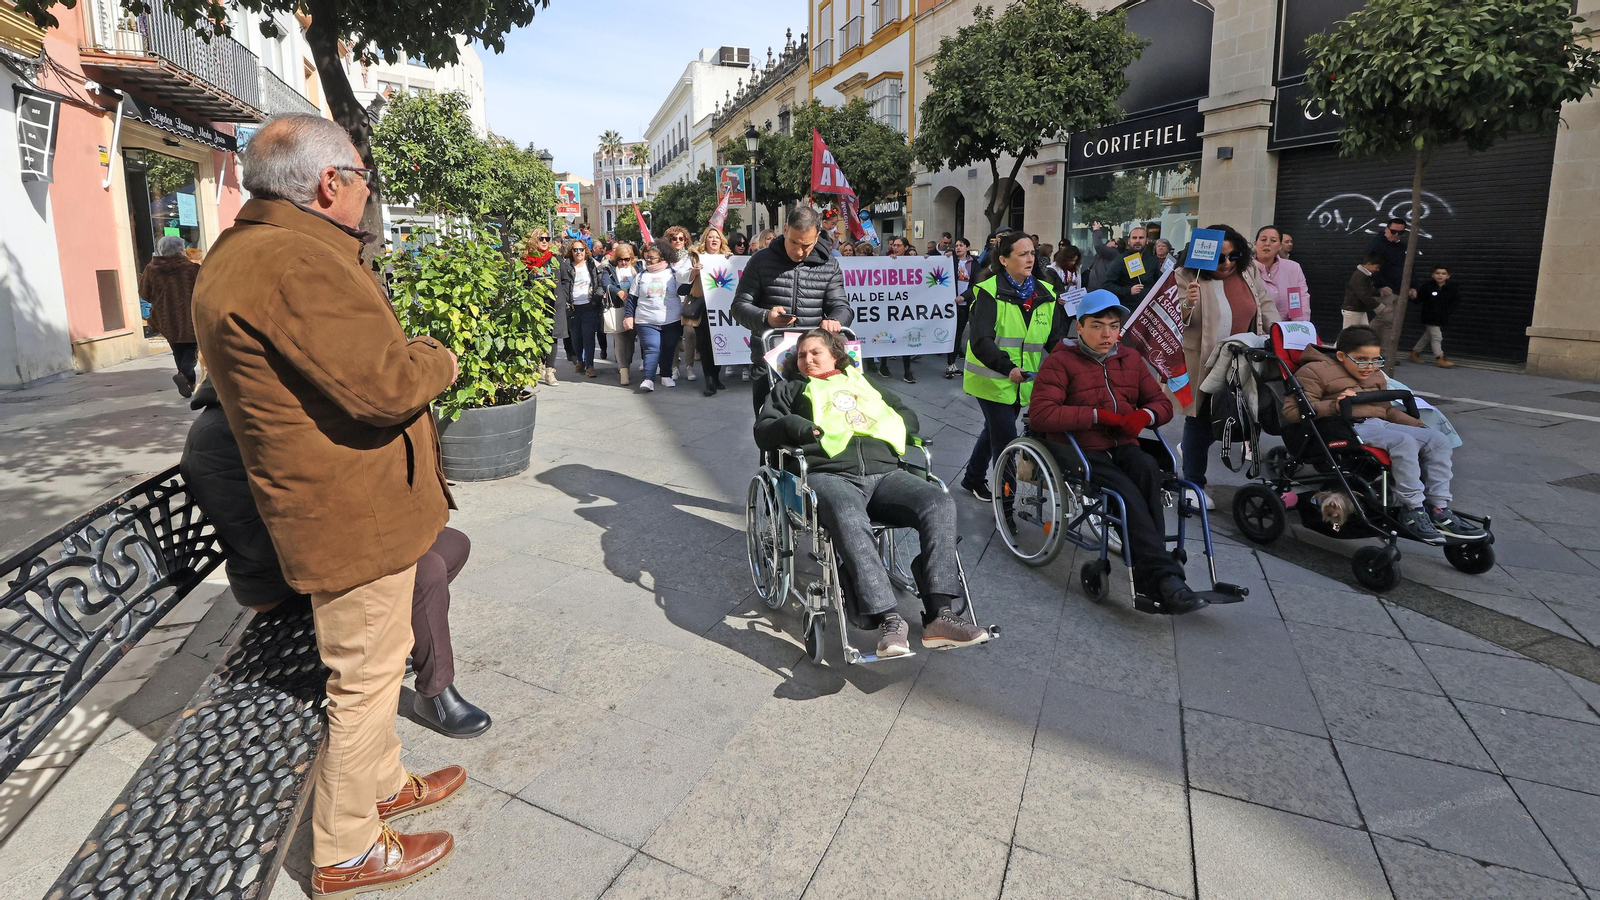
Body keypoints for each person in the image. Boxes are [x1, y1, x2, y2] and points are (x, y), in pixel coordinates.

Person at [191, 114, 461, 895]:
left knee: (373, 667)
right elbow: (383, 385)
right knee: (366, 679)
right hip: (348, 513)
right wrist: (436, 356)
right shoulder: (288, 262)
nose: (368, 189)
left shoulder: (264, 249)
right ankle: (345, 849)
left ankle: (383, 788)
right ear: (328, 183)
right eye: (362, 176)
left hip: (349, 504)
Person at [179, 379, 492, 736]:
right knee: (425, 570)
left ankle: (389, 635)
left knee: (451, 543)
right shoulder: (215, 437)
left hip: (319, 552)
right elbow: (256, 540)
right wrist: (356, 539)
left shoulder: (259, 414)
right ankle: (435, 692)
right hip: (279, 580)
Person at [754, 328, 991, 656]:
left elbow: (905, 413)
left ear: (835, 355)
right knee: (848, 514)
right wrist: (796, 426)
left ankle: (940, 615)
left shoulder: (863, 384)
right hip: (830, 475)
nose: (807, 359)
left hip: (886, 474)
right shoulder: (789, 389)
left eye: (815, 353)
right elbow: (764, 431)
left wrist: (896, 425)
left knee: (938, 501)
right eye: (801, 355)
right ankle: (890, 619)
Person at [1027, 291, 1208, 614]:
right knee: (1125, 492)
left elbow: (1161, 404)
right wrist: (1096, 416)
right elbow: (1041, 414)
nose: (1107, 334)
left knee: (1149, 472)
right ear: (1079, 327)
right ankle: (1165, 578)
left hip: (1123, 442)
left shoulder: (1130, 359)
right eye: (1097, 326)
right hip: (1079, 448)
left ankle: (1154, 568)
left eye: (1113, 326)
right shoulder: (1060, 362)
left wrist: (1144, 416)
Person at [1285, 325, 1482, 542]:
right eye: (1361, 359)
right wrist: (1335, 406)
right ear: (1341, 356)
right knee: (1403, 442)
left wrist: (1415, 424)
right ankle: (1412, 508)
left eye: (1375, 360)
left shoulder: (1375, 373)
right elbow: (1292, 412)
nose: (1369, 366)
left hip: (1378, 423)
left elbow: (1386, 409)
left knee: (1437, 440)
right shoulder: (1314, 371)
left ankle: (1438, 507)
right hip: (1345, 427)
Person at [1174, 225, 1281, 510]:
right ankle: (1193, 483)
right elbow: (1177, 321)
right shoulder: (1186, 276)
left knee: (1231, 415)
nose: (1227, 263)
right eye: (1220, 257)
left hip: (1243, 359)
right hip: (1203, 361)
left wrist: (1281, 336)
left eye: (1234, 256)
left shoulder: (1248, 271)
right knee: (1199, 420)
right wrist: (1188, 303)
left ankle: (1191, 450)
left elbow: (1266, 306)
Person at [959, 232, 1069, 501]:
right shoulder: (987, 292)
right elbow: (981, 340)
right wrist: (1007, 367)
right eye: (1022, 254)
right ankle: (1005, 504)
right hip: (991, 380)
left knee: (995, 430)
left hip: (1022, 382)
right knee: (1007, 440)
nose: (1030, 259)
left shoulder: (1047, 294)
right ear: (1004, 260)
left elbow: (1054, 340)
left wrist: (1074, 362)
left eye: (1032, 253)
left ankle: (972, 477)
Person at [730, 207, 853, 415]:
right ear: (785, 230)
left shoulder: (829, 265)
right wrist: (765, 317)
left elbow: (842, 306)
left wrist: (835, 319)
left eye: (806, 245)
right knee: (768, 423)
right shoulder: (760, 260)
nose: (798, 251)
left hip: (813, 363)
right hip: (768, 359)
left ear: (818, 236)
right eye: (793, 242)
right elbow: (739, 307)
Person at [142, 235, 202, 397]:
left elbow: (145, 294)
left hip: (164, 316)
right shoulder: (192, 269)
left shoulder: (150, 269)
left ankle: (188, 383)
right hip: (188, 315)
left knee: (177, 350)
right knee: (191, 348)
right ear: (181, 250)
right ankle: (184, 376)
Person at [625, 239, 684, 392]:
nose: (648, 260)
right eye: (647, 257)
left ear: (663, 258)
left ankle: (666, 375)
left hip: (671, 319)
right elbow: (632, 299)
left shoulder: (674, 275)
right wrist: (628, 316)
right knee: (652, 348)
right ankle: (648, 379)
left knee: (668, 347)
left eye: (651, 258)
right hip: (646, 320)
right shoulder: (640, 277)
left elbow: (684, 293)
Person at [685, 228, 728, 395]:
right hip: (702, 307)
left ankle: (716, 376)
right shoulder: (694, 257)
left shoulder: (727, 257)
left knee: (720, 343)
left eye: (717, 237)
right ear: (705, 240)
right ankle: (709, 379)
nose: (714, 240)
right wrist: (694, 270)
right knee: (705, 344)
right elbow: (682, 277)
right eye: (710, 237)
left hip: (722, 307)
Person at [558, 239, 605, 377]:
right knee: (576, 337)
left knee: (588, 336)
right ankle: (580, 360)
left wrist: (597, 295)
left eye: (581, 250)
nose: (579, 252)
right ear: (571, 252)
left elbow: (599, 281)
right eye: (575, 250)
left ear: (586, 251)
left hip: (589, 305)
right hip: (573, 307)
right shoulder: (567, 266)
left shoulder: (591, 264)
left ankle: (589, 365)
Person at [873, 235, 917, 383]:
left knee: (906, 337)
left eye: (899, 246)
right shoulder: (886, 261)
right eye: (894, 245)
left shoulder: (912, 262)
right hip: (889, 306)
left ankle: (907, 371)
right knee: (887, 335)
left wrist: (928, 259)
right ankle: (883, 365)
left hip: (905, 307)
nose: (895, 248)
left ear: (906, 248)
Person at [522, 228, 563, 385]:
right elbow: (522, 282)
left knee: (552, 336)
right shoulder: (526, 261)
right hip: (534, 303)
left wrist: (562, 297)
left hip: (552, 303)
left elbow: (565, 279)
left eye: (547, 238)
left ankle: (550, 371)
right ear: (534, 241)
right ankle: (539, 365)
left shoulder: (555, 260)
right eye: (541, 238)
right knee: (537, 335)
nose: (545, 241)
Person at [603, 241, 642, 385]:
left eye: (627, 259)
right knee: (619, 340)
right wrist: (617, 291)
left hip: (634, 308)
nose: (624, 262)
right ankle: (623, 371)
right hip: (618, 307)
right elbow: (605, 283)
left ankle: (628, 363)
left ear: (631, 258)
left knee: (630, 341)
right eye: (621, 259)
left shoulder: (638, 268)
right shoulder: (610, 268)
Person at [1254, 225, 1310, 322]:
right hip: (1254, 331)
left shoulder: (1293, 268)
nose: (1267, 244)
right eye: (1263, 240)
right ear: (1255, 243)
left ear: (1280, 246)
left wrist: (1298, 328)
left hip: (1285, 330)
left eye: (1273, 240)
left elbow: (1298, 304)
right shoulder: (1245, 268)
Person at [1410, 265, 1460, 367]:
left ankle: (1414, 353)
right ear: (1432, 275)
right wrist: (1413, 297)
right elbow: (1418, 300)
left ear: (1448, 276)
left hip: (1442, 317)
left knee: (1427, 336)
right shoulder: (1427, 286)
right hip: (1429, 316)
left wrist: (1449, 311)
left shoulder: (1452, 288)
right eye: (1437, 273)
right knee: (1437, 337)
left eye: (1443, 273)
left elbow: (1455, 301)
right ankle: (1440, 358)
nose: (1440, 276)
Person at [1104, 226, 1159, 307]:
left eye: (1141, 238)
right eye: (1134, 238)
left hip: (1148, 309)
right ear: (1129, 241)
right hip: (1128, 309)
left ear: (1147, 241)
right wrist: (1128, 290)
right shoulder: (1120, 260)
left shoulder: (1153, 260)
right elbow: (1107, 285)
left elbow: (1158, 283)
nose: (1137, 241)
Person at [946, 237, 977, 378]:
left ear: (967, 248)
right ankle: (949, 364)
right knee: (951, 334)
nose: (958, 248)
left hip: (964, 305)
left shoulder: (974, 264)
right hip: (949, 305)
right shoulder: (951, 260)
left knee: (958, 335)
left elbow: (976, 284)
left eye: (961, 245)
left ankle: (952, 364)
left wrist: (964, 296)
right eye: (956, 245)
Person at [1343, 252, 1385, 329]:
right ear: (1369, 264)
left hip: (1357, 309)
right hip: (1353, 311)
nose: (1378, 270)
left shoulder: (1363, 275)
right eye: (1377, 267)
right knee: (1348, 335)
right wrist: (1380, 307)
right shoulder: (1360, 276)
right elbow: (1364, 295)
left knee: (1361, 333)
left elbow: (1365, 291)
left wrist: (1380, 292)